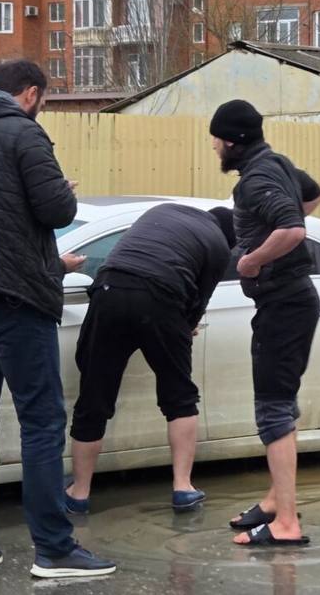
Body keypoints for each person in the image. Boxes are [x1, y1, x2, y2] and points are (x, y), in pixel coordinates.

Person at [0, 59, 115, 580]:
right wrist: (65, 191)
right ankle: (53, 549)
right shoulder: (24, 134)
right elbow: (57, 211)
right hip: (13, 294)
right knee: (41, 419)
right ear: (31, 94)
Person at [65, 204, 237, 513]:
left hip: (110, 289)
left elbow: (125, 253)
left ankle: (79, 493)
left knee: (94, 395)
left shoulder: (163, 210)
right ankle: (183, 488)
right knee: (180, 396)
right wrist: (185, 327)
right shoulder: (219, 245)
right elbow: (200, 299)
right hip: (161, 297)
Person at [208, 100, 320, 546]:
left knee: (272, 409)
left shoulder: (256, 180)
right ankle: (277, 501)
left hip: (283, 304)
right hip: (291, 301)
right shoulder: (277, 164)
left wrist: (252, 260)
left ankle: (286, 524)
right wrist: (268, 234)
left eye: (217, 139)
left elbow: (293, 229)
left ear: (232, 141)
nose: (214, 146)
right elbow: (312, 196)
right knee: (282, 403)